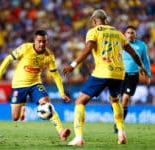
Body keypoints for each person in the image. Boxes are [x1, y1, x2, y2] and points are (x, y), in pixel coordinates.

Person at [62, 9, 147, 146]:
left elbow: (87, 49)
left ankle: (78, 137)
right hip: (119, 73)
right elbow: (134, 54)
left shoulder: (94, 31)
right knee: (115, 100)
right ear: (105, 19)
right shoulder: (118, 33)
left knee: (79, 101)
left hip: (103, 71)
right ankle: (121, 133)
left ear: (94, 20)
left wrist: (72, 65)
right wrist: (141, 67)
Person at [0, 29, 71, 141]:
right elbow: (8, 59)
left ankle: (61, 131)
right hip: (19, 84)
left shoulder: (49, 55)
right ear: (34, 40)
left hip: (35, 83)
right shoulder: (25, 48)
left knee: (47, 104)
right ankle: (23, 107)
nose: (42, 44)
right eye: (39, 41)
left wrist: (61, 92)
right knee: (15, 117)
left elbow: (56, 75)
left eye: (44, 41)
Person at [113, 25, 151, 133]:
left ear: (136, 34)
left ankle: (119, 123)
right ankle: (117, 118)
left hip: (133, 75)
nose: (130, 34)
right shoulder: (119, 44)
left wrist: (148, 75)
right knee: (115, 100)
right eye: (128, 32)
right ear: (124, 34)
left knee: (125, 99)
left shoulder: (141, 45)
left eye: (132, 32)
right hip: (119, 74)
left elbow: (145, 60)